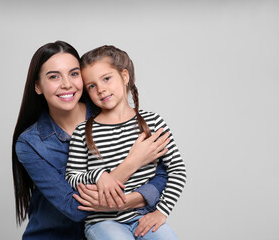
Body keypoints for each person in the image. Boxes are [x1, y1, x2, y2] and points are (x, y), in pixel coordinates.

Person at [12, 41, 171, 239]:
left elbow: (161, 172)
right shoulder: (30, 144)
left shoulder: (108, 108)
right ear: (38, 86)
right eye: (54, 76)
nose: (67, 84)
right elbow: (75, 207)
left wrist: (132, 200)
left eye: (74, 73)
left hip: (121, 227)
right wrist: (132, 162)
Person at [65, 45, 187, 240]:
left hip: (143, 215)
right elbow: (72, 176)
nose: (101, 89)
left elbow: (177, 170)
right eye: (92, 86)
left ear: (124, 76)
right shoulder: (83, 131)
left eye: (106, 78)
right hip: (103, 221)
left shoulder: (153, 122)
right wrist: (99, 176)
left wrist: (161, 212)